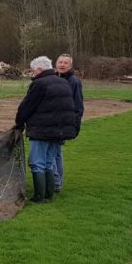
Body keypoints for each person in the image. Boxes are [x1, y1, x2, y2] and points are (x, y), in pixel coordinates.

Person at [14, 56, 77, 202]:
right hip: (60, 131)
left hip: (42, 131)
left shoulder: (39, 84)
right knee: (49, 162)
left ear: (40, 69)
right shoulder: (63, 83)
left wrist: (19, 123)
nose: (33, 74)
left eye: (33, 71)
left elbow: (26, 107)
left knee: (37, 163)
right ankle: (49, 195)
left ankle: (38, 196)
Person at [53, 53, 84, 193]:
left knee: (53, 153)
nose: (62, 65)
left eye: (65, 63)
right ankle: (57, 181)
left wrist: (74, 125)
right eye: (60, 62)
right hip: (52, 121)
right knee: (56, 152)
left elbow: (78, 106)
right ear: (56, 64)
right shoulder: (53, 78)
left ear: (70, 66)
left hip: (63, 124)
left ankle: (56, 182)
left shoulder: (74, 81)